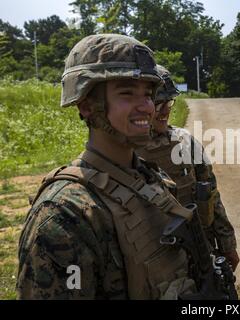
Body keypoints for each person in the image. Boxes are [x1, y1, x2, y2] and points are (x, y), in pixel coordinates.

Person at [17, 34, 203, 299]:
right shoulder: (64, 215)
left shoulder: (151, 178)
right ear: (87, 105)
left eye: (148, 94)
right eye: (127, 93)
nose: (147, 107)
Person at [136, 65, 239, 270]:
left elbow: (211, 194)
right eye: (159, 103)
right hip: (152, 259)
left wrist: (227, 244)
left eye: (170, 102)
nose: (166, 110)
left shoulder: (185, 141)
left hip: (198, 246)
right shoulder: (128, 152)